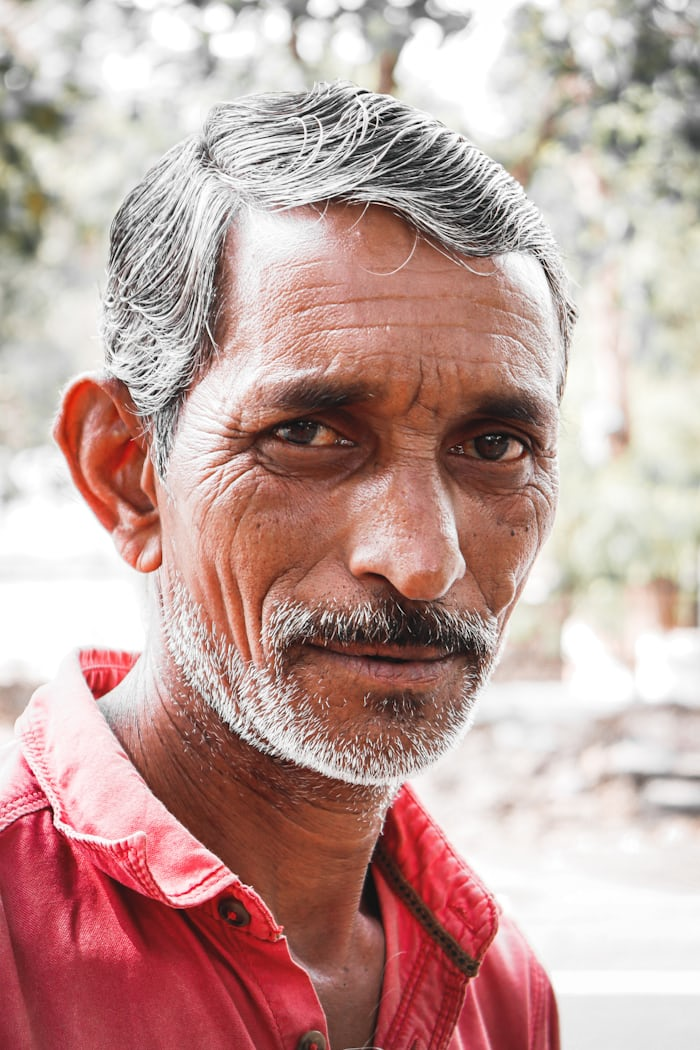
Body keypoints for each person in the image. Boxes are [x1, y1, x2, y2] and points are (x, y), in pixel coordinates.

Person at [0, 82, 576, 1050]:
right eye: (308, 434)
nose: (421, 561)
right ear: (127, 475)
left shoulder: (505, 993)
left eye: (495, 447)